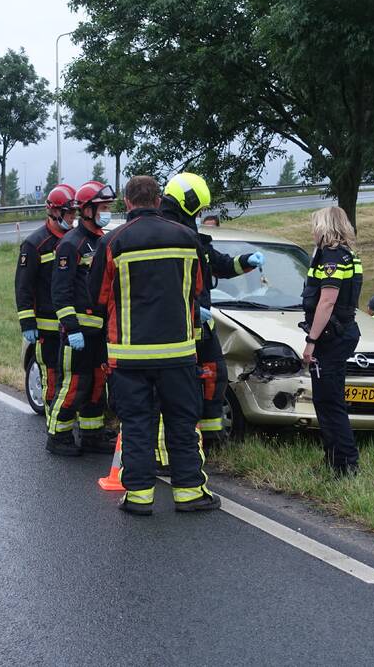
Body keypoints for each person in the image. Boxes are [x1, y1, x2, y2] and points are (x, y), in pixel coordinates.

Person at [89, 175, 219, 515]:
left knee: (137, 425)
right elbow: (199, 288)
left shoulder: (113, 242)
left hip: (129, 355)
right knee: (181, 423)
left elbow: (97, 297)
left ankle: (139, 497)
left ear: (128, 203)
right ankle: (190, 493)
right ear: (158, 199)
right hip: (178, 352)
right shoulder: (187, 238)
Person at [158, 173, 264, 444]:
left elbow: (219, 264)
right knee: (180, 386)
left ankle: (212, 436)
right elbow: (165, 285)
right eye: (200, 208)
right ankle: (180, 440)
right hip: (175, 326)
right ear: (188, 203)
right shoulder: (166, 236)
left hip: (200, 323)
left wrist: (246, 261)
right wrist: (192, 307)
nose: (202, 213)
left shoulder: (191, 236)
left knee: (214, 376)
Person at [48, 181, 116, 455]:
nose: (107, 212)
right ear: (87, 210)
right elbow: (60, 292)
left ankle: (92, 434)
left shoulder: (102, 241)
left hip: (100, 332)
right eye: (103, 207)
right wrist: (71, 326)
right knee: (75, 384)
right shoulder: (70, 245)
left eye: (109, 207)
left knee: (98, 385)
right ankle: (58, 436)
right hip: (78, 333)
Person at [301, 206, 363, 477]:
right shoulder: (347, 254)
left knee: (330, 402)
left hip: (332, 336)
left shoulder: (332, 257)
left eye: (315, 225)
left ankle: (346, 465)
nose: (312, 231)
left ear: (325, 227)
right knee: (327, 400)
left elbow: (327, 301)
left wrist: (311, 340)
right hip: (342, 332)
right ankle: (334, 460)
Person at [15, 184, 78, 434]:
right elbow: (23, 286)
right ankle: (55, 426)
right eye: (68, 213)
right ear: (53, 212)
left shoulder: (74, 241)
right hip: (46, 326)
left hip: (70, 325)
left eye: (74, 213)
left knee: (71, 377)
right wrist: (28, 323)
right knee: (51, 376)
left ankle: (72, 421)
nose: (72, 218)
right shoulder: (34, 244)